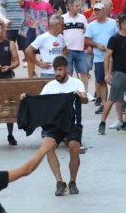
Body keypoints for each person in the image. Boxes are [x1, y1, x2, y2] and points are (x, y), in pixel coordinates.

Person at [35, 56, 89, 196]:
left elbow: (85, 100)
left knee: (74, 147)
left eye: (60, 70)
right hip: (55, 125)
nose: (57, 73)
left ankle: (72, 182)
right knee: (48, 146)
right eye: (55, 70)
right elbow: (39, 103)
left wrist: (81, 96)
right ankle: (59, 182)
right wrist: (26, 99)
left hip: (73, 124)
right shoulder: (50, 86)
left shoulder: (76, 83)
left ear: (66, 69)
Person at [98, 14, 126, 135]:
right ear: (122, 25)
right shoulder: (114, 39)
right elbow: (107, 56)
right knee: (112, 99)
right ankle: (102, 123)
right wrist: (107, 73)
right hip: (119, 74)